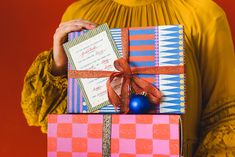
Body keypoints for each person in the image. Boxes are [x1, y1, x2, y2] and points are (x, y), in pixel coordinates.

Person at [21, 0, 235, 156]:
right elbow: (58, 123)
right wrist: (59, 65)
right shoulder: (79, 13)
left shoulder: (204, 14)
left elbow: (225, 117)